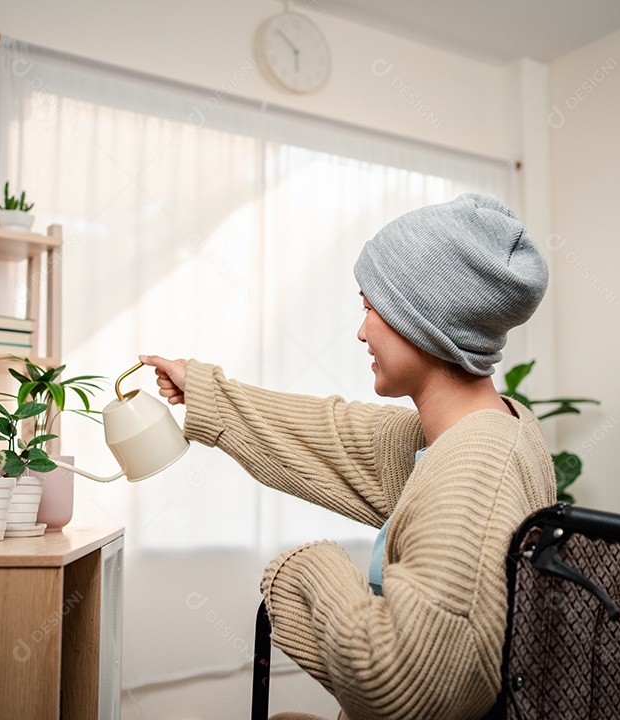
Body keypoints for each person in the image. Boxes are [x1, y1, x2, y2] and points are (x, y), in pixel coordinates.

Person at [141, 193, 555, 720]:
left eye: (368, 308)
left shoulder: (476, 470)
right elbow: (332, 435)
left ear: (423, 318)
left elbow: (412, 684)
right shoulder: (481, 431)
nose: (361, 331)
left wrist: (306, 569)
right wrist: (204, 389)